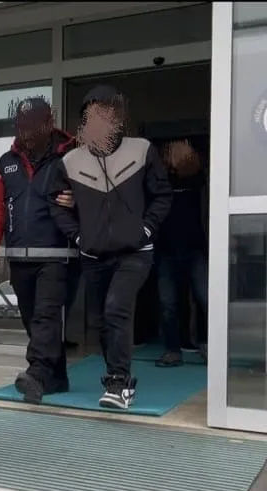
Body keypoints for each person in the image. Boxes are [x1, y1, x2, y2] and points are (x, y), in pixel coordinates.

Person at [48, 86, 172, 410]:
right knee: (103, 320)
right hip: (94, 256)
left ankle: (120, 383)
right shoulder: (70, 161)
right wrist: (79, 237)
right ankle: (113, 373)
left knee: (117, 307)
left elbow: (162, 196)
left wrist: (146, 229)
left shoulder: (141, 150)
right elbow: (57, 206)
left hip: (135, 252)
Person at [0, 97, 77, 404]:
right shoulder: (6, 162)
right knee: (31, 317)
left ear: (49, 123)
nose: (26, 133)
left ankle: (36, 373)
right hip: (20, 255)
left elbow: (95, 194)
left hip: (57, 255)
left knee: (46, 316)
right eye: (21, 126)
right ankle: (56, 378)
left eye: (32, 126)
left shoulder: (71, 155)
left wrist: (77, 201)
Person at [154, 139, 208, 367]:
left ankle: (206, 344)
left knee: (205, 299)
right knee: (168, 303)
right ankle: (172, 349)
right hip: (166, 249)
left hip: (195, 248)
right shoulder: (159, 180)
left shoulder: (198, 179)